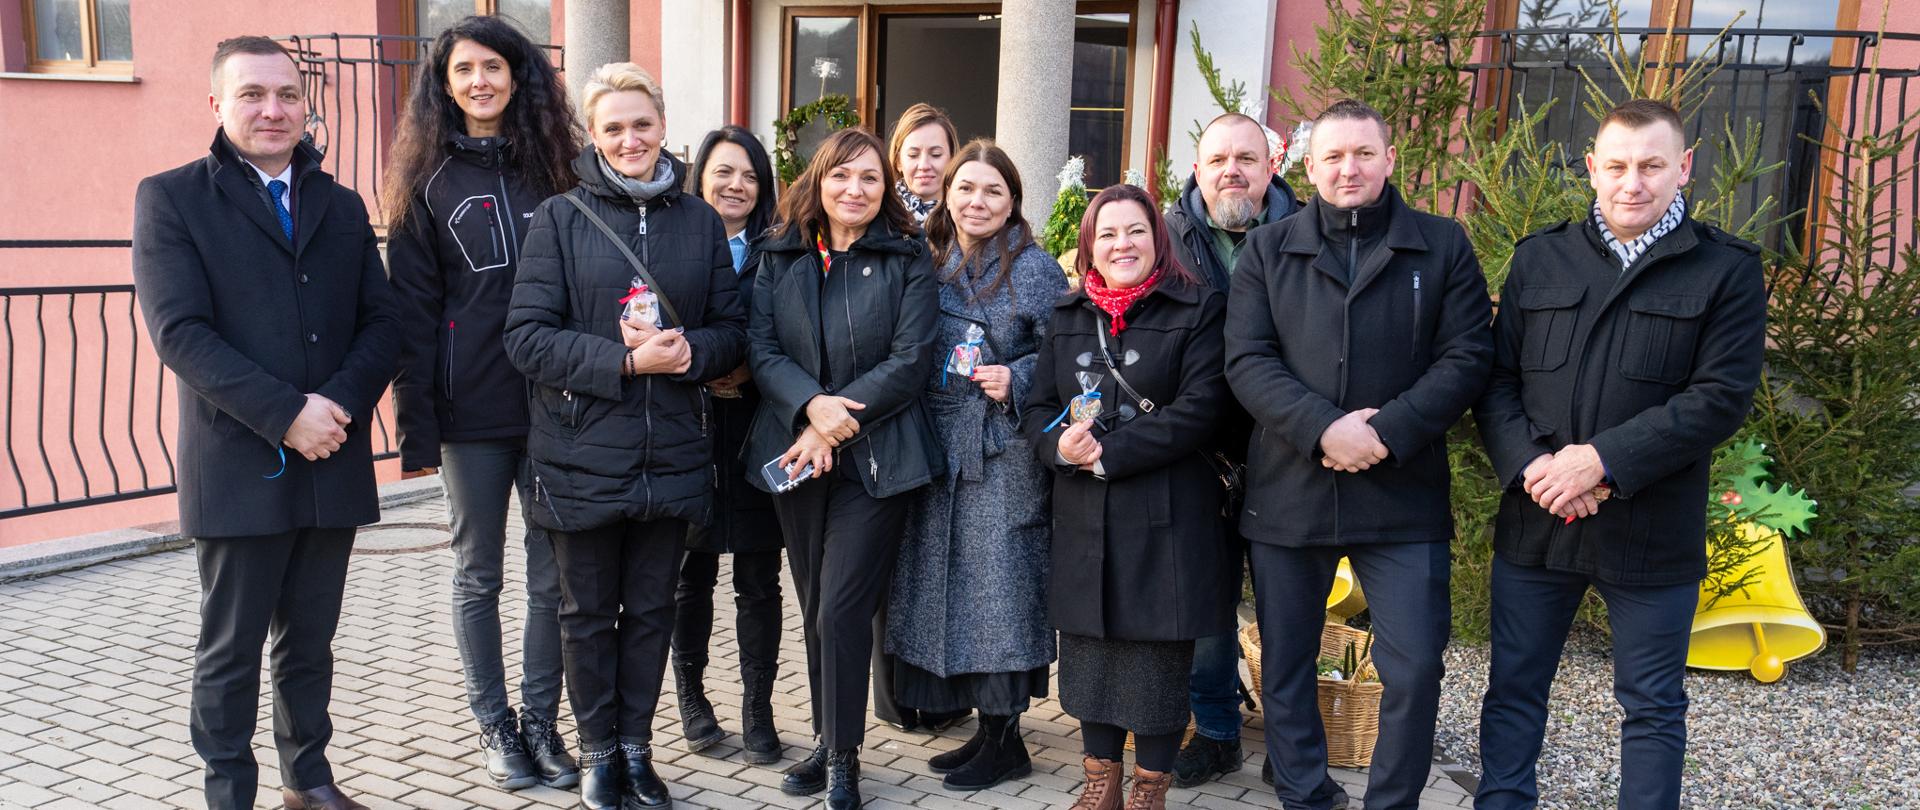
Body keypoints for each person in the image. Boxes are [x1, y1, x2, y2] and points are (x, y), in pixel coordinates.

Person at [1472, 98, 1765, 810]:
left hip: (1651, 529)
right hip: (1539, 519)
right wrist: (1538, 470)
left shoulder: (1724, 270)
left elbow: (1718, 398)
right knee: (1513, 690)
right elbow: (1497, 381)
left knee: (1653, 706)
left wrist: (1597, 462)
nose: (1633, 182)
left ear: (1684, 167)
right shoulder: (1541, 256)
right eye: (1618, 166)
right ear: (1592, 169)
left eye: (1652, 166)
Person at [131, 36, 400, 810]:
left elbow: (381, 324)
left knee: (310, 646)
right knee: (231, 652)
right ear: (217, 105)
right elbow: (180, 334)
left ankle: (307, 781)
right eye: (252, 94)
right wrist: (287, 416)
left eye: (286, 94)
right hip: (238, 465)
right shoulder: (172, 197)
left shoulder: (341, 205)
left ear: (306, 102)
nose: (273, 109)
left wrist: (334, 409)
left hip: (333, 456)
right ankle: (229, 794)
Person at [1225, 98, 1493, 810]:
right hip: (1289, 488)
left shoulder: (1442, 245)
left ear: (1389, 160)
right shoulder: (1267, 249)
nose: (1350, 168)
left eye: (1364, 154)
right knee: (1285, 666)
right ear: (1308, 166)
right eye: (1334, 156)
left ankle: (1393, 801)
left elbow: (1467, 356)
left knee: (1413, 669)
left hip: (1401, 492)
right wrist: (1324, 430)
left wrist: (1386, 431)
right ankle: (1307, 796)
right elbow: (1248, 362)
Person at [503, 62, 748, 810]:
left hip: (672, 452)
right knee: (585, 616)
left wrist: (692, 354)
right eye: (614, 127)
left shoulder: (699, 221)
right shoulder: (560, 219)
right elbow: (525, 338)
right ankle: (598, 753)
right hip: (580, 453)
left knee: (651, 612)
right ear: (593, 135)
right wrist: (623, 360)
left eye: (642, 123)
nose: (630, 138)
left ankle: (639, 749)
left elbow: (734, 331)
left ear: (663, 127)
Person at [382, 15, 582, 791]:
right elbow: (412, 315)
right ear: (444, 83)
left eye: (493, 67)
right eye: (463, 70)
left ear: (518, 75)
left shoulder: (558, 171)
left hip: (554, 408)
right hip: (470, 415)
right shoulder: (425, 183)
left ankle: (542, 724)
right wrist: (417, 427)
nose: (479, 82)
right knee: (478, 575)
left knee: (550, 578)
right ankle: (494, 726)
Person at [743, 127, 944, 810]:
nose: (854, 190)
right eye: (841, 176)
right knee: (814, 606)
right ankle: (827, 740)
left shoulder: (908, 257)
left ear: (885, 190)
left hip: (879, 459)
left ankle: (845, 762)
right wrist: (810, 407)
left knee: (843, 608)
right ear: (818, 181)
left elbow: (913, 360)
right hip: (799, 451)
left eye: (868, 179)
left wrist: (836, 419)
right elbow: (762, 348)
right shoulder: (781, 255)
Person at [1026, 184, 1238, 810]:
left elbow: (1203, 408)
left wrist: (1111, 454)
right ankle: (1101, 785)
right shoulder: (1067, 317)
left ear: (1158, 239)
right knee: (1090, 658)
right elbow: (1039, 407)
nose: (1123, 244)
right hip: (1085, 518)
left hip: (1169, 514)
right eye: (1108, 233)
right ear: (1090, 244)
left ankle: (1149, 789)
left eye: (1136, 231)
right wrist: (1058, 448)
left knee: (1155, 664)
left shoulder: (1198, 308)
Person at [885, 139, 1067, 791]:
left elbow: (1070, 356)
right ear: (947, 194)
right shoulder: (929, 259)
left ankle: (1006, 736)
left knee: (1001, 593)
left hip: (1002, 453)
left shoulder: (1037, 269)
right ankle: (985, 732)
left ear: (1013, 200)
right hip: (936, 446)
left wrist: (1016, 376)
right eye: (966, 188)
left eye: (993, 190)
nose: (976, 201)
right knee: (951, 590)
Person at [1161, 111, 1301, 788]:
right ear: (1197, 168)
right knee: (1209, 605)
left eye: (1247, 158)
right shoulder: (1163, 236)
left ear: (1272, 166)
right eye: (1218, 160)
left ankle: (1294, 743)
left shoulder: (1308, 230)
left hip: (1289, 449)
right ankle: (1215, 731)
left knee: (1287, 606)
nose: (1232, 172)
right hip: (1199, 453)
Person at [670, 125, 784, 765]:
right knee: (691, 577)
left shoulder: (778, 250)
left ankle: (758, 709)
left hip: (756, 433)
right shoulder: (675, 242)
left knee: (759, 580)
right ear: (701, 178)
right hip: (688, 431)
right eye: (722, 172)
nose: (735, 185)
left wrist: (750, 370)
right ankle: (692, 700)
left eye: (747, 175)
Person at [888, 101, 958, 226]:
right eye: (913, 155)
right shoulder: (880, 214)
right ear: (898, 161)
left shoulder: (969, 215)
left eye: (936, 154)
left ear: (952, 159)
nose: (924, 165)